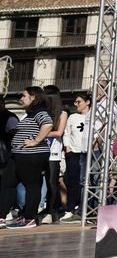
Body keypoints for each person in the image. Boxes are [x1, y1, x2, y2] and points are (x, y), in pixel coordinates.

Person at [7, 88, 54, 228]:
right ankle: (18, 216)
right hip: (21, 155)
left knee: (32, 186)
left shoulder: (40, 112)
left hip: (32, 155)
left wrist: (35, 141)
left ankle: (30, 218)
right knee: (9, 183)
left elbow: (48, 124)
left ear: (33, 97)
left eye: (24, 95)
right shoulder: (30, 114)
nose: (21, 98)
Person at [62, 93, 93, 220]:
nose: (76, 104)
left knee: (86, 181)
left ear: (87, 102)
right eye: (75, 102)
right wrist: (67, 146)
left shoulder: (93, 116)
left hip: (88, 153)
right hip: (73, 152)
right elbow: (66, 133)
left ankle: (84, 208)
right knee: (72, 181)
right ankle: (70, 208)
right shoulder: (72, 117)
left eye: (78, 102)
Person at [41, 85, 69, 222]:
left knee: (52, 181)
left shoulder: (62, 113)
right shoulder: (42, 111)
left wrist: (42, 134)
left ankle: (51, 210)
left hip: (54, 151)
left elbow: (59, 132)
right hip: (39, 149)